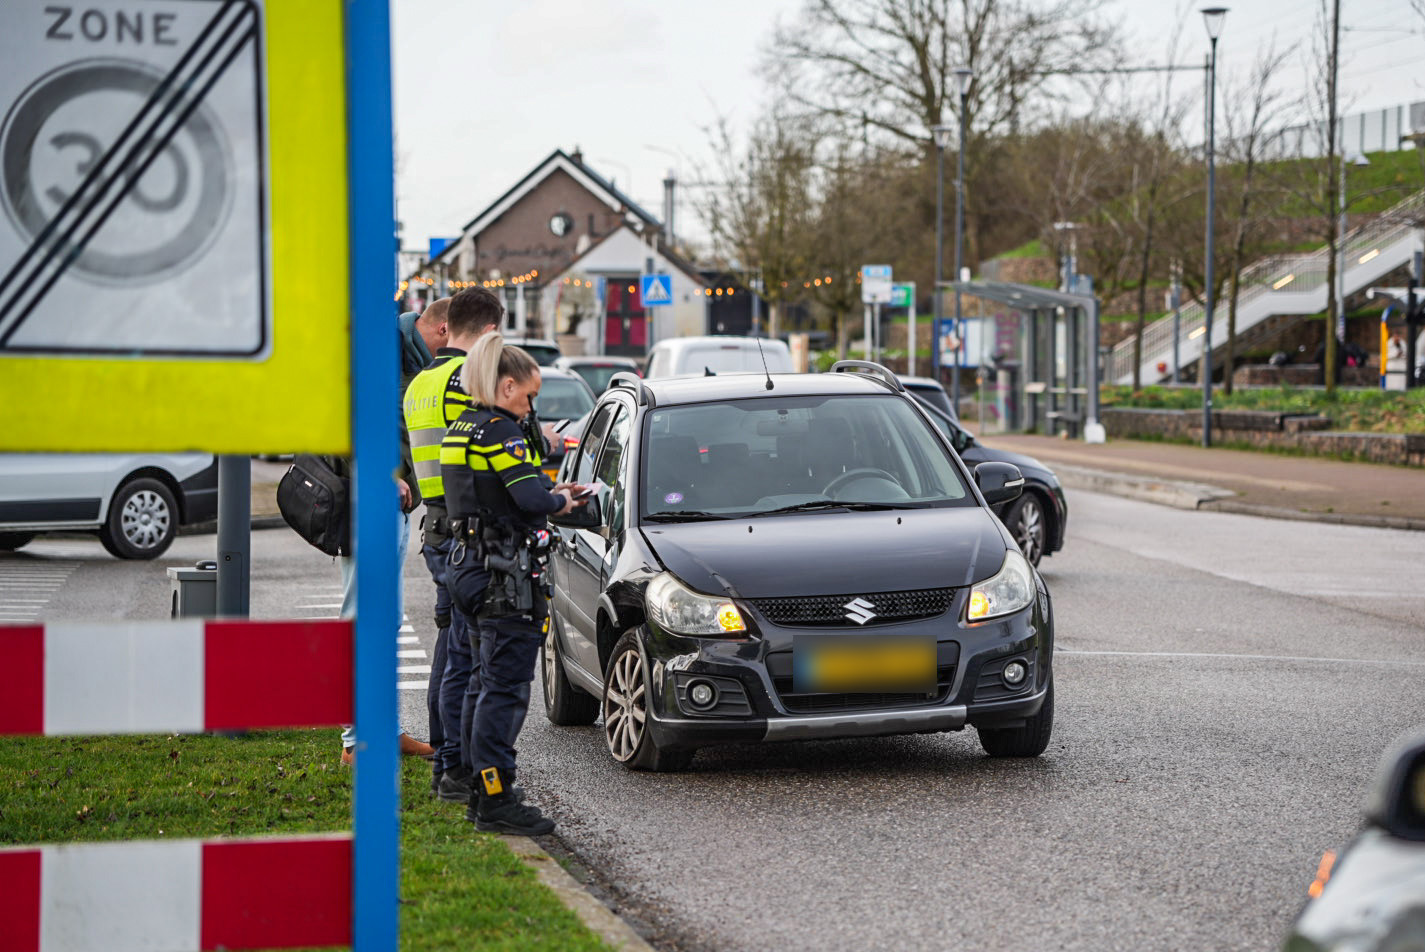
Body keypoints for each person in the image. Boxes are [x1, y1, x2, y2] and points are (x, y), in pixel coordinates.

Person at [440, 334, 586, 835]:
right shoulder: (499, 431)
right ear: (506, 387)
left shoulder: (461, 426)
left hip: (467, 565)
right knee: (503, 691)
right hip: (503, 575)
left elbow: (492, 492)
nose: (531, 406)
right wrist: (560, 500)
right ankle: (496, 799)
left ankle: (480, 788)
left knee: (480, 684)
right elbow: (526, 496)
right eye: (528, 396)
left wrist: (545, 491)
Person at [402, 288, 501, 801]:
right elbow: (483, 451)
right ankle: (456, 765)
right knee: (468, 649)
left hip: (436, 524)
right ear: (486, 332)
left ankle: (445, 754)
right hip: (467, 525)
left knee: (450, 640)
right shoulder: (464, 382)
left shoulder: (419, 383)